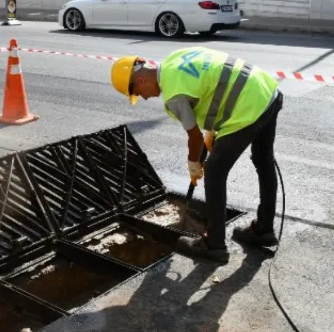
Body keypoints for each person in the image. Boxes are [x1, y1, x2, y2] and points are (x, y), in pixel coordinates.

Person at [109, 47, 284, 263]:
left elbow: (194, 139)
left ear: (140, 80)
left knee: (214, 171)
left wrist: (194, 163)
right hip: (267, 90)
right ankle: (263, 230)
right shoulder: (175, 57)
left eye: (136, 93)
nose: (142, 98)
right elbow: (214, 82)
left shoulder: (173, 95)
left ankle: (214, 244)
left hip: (248, 107)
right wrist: (213, 131)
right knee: (263, 160)